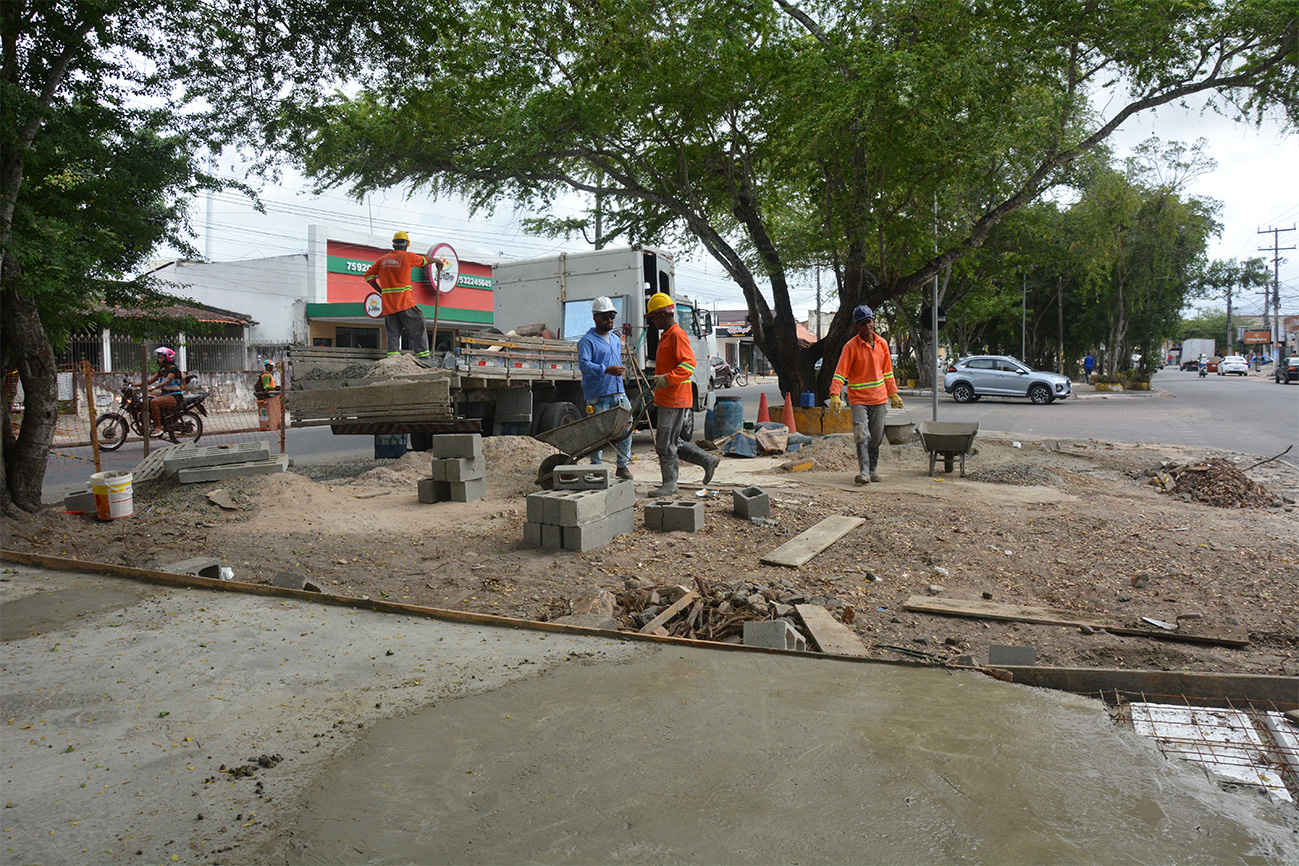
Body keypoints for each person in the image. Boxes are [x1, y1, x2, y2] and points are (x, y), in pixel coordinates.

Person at [645, 292, 719, 497]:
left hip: (675, 397)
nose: (651, 321)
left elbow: (688, 364)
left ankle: (670, 485)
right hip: (668, 396)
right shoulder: (667, 336)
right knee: (673, 441)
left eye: (653, 317)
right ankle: (707, 460)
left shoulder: (677, 335)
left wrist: (667, 379)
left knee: (665, 443)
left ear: (662, 315)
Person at [828, 305, 903, 484]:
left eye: (869, 321)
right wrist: (835, 394)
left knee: (876, 437)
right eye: (863, 323)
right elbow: (840, 372)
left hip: (879, 398)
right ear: (857, 327)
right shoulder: (851, 347)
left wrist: (893, 394)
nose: (867, 325)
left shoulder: (882, 344)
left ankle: (873, 470)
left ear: (874, 322)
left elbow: (888, 372)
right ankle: (864, 473)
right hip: (858, 399)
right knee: (862, 434)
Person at [578, 297, 634, 480]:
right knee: (599, 433)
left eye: (612, 316)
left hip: (618, 393)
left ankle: (622, 467)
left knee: (626, 428)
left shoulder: (616, 340)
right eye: (605, 317)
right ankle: (596, 468)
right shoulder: (587, 341)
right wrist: (606, 370)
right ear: (595, 318)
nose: (610, 320)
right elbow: (584, 365)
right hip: (598, 395)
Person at [364, 231, 440, 362]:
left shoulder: (382, 260)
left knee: (393, 334)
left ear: (394, 245)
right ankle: (424, 358)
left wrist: (381, 291)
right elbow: (425, 260)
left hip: (388, 306)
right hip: (405, 303)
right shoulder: (407, 257)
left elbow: (368, 276)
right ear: (406, 245)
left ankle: (392, 360)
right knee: (418, 322)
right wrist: (437, 260)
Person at [145, 346, 185, 436]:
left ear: (167, 358)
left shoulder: (173, 369)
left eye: (161, 358)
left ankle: (158, 428)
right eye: (158, 358)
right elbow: (150, 381)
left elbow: (167, 381)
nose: (159, 360)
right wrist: (134, 384)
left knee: (154, 402)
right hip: (165, 394)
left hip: (175, 397)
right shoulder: (162, 370)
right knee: (145, 396)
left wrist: (153, 388)